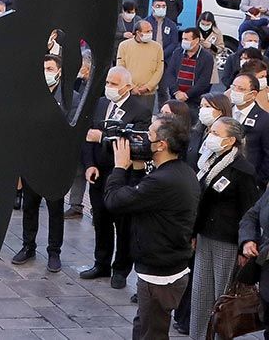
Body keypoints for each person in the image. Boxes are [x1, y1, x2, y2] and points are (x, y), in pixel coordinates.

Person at [104, 112, 199, 340]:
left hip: (160, 274)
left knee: (151, 333)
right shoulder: (179, 171)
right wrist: (137, 170)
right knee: (144, 326)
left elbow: (114, 201)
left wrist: (119, 168)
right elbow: (142, 198)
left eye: (149, 134)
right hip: (165, 267)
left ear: (161, 145)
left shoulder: (164, 180)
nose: (143, 139)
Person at [187, 116, 259, 339]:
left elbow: (249, 211)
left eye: (217, 134)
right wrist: (194, 232)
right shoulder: (208, 161)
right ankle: (198, 335)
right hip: (206, 235)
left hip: (227, 240)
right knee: (200, 292)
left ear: (230, 141)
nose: (210, 137)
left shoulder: (242, 169)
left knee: (222, 296)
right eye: (211, 132)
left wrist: (243, 247)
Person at [81, 66, 152, 289]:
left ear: (127, 87)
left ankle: (120, 268)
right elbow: (87, 137)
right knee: (100, 220)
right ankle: (100, 263)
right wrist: (90, 164)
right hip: (99, 174)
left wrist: (102, 136)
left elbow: (133, 143)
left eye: (114, 84)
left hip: (124, 176)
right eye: (108, 82)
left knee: (122, 225)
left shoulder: (140, 111)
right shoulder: (101, 104)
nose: (109, 87)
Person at [13, 55, 73, 273]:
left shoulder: (69, 97)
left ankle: (54, 251)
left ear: (58, 71)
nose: (45, 72)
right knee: (29, 207)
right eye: (43, 68)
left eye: (49, 68)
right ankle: (28, 246)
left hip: (56, 165)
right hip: (32, 162)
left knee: (55, 209)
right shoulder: (30, 96)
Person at [229, 73, 269, 186]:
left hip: (246, 180)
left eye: (241, 89)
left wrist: (259, 181)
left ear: (253, 94)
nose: (235, 91)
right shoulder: (225, 111)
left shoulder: (264, 120)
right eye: (233, 87)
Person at [162, 27, 214, 111]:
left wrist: (187, 94)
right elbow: (170, 74)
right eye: (183, 39)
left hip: (194, 101)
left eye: (186, 39)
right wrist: (176, 92)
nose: (184, 41)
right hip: (175, 98)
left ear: (196, 40)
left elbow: (204, 81)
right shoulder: (177, 53)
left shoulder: (207, 57)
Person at [116, 20, 164, 112]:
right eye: (147, 31)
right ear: (138, 32)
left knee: (145, 120)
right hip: (128, 92)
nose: (150, 33)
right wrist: (132, 87)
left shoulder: (157, 47)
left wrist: (148, 87)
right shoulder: (124, 45)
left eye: (151, 31)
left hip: (148, 94)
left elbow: (159, 69)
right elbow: (121, 68)